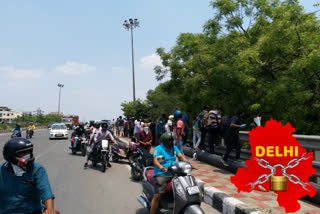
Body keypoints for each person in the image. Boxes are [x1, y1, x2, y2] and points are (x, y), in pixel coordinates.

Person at [0, 137, 57, 214]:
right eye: (23, 153)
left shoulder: (37, 169)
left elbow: (46, 191)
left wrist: (50, 209)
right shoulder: (1, 170)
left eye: (29, 152)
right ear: (10, 155)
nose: (27, 155)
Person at [150, 132, 191, 214]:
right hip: (161, 174)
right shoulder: (158, 149)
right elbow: (155, 161)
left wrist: (187, 163)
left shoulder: (174, 147)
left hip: (174, 172)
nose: (174, 142)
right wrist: (161, 167)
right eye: (172, 140)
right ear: (167, 141)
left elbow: (181, 156)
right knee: (157, 196)